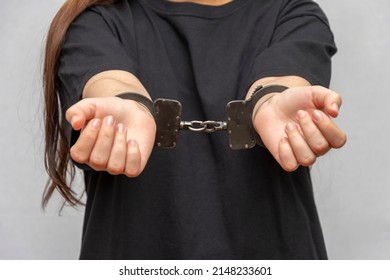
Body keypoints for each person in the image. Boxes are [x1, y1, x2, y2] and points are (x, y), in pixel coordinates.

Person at [43, 0, 346, 259]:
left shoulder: (292, 12)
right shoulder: (94, 23)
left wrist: (270, 101)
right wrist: (126, 103)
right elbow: (109, 80)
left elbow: (283, 77)